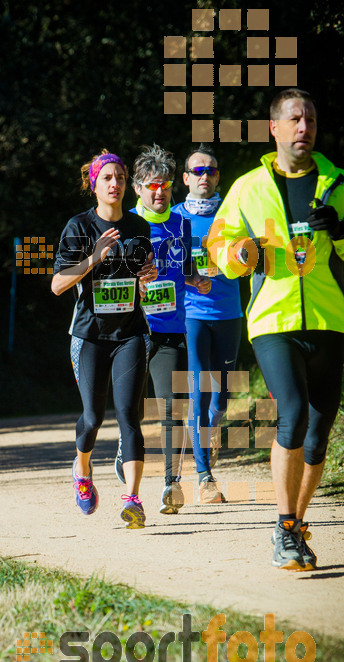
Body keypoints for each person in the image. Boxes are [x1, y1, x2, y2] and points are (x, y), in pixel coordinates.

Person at [210, 88, 344, 569]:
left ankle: (294, 526)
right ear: (274, 128)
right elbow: (219, 245)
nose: (305, 128)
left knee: (318, 432)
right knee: (293, 413)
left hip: (327, 319)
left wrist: (342, 232)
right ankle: (283, 526)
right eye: (295, 120)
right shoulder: (247, 187)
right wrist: (239, 254)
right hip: (272, 319)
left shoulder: (343, 185)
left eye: (312, 120)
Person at [51, 150, 157, 529]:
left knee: (130, 415)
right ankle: (82, 468)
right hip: (90, 336)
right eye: (107, 178)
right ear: (94, 184)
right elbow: (58, 285)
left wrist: (148, 274)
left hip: (130, 333)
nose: (115, 184)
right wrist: (93, 258)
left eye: (121, 178)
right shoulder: (78, 227)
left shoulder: (138, 227)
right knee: (93, 418)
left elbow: (143, 278)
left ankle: (132, 499)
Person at [123, 144, 211, 514]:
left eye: (165, 185)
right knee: (131, 411)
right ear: (138, 189)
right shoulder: (125, 224)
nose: (160, 192)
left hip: (171, 329)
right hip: (129, 331)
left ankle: (170, 485)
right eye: (152, 185)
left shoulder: (182, 223)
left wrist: (198, 280)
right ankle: (126, 453)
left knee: (173, 407)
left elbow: (184, 269)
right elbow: (104, 282)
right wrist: (134, 285)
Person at [172, 145, 242, 503]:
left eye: (211, 171)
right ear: (185, 178)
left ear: (218, 177)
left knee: (222, 397)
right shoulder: (172, 217)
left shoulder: (235, 213)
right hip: (192, 314)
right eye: (197, 171)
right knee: (198, 392)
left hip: (230, 312)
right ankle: (204, 477)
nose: (204, 176)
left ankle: (211, 430)